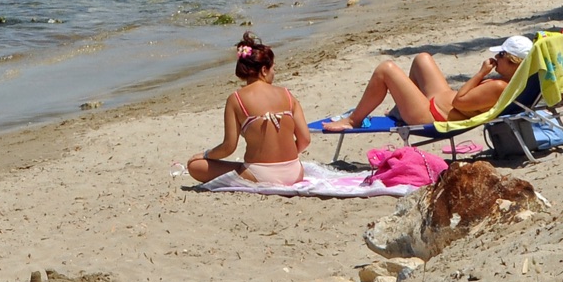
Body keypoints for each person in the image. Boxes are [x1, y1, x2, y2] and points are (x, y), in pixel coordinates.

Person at [319, 34, 532, 131]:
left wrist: (480, 73)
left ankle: (354, 120)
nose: (497, 59)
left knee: (387, 69)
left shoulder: (498, 87)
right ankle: (400, 109)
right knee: (423, 59)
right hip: (437, 103)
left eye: (502, 55)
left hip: (431, 116)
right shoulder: (508, 83)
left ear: (514, 62)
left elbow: (460, 102)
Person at [185, 33, 311, 185]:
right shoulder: (287, 95)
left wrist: (206, 155)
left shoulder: (236, 99)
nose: (273, 73)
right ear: (264, 70)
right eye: (273, 69)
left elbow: (229, 147)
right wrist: (283, 160)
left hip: (261, 174)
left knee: (195, 166)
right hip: (295, 172)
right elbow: (305, 139)